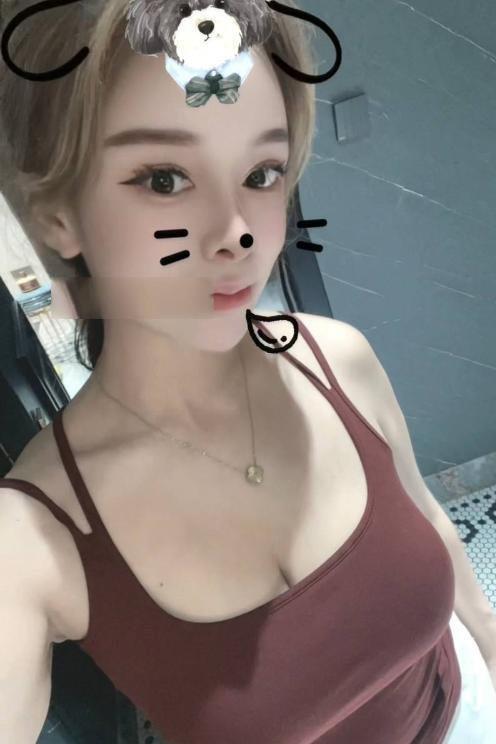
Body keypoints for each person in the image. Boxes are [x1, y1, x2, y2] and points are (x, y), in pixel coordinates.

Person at [0, 1, 490, 742]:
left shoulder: (339, 358)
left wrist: (490, 639)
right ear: (59, 215)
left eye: (262, 172)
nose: (236, 231)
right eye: (165, 179)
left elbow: (427, 515)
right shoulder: (33, 538)